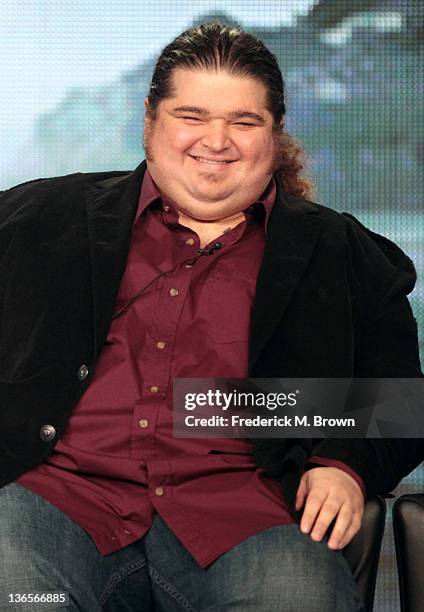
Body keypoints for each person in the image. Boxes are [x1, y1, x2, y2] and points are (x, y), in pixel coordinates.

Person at [0, 21, 422, 612]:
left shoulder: (346, 254)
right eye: (191, 116)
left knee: (299, 601)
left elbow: (399, 402)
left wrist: (342, 463)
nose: (215, 140)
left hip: (246, 517)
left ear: (274, 134)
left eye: (244, 122)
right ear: (151, 121)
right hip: (52, 503)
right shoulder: (35, 219)